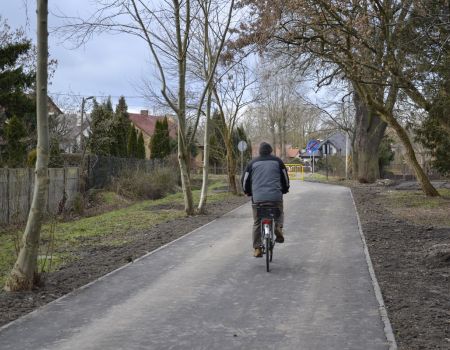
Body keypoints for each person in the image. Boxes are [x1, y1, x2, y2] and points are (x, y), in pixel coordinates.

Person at [241, 142, 290, 257]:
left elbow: (244, 180)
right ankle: (278, 227)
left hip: (258, 198)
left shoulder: (252, 163)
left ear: (260, 151)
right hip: (275, 197)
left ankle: (257, 248)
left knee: (257, 221)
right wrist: (285, 189)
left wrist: (247, 191)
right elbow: (285, 178)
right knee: (279, 212)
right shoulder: (278, 162)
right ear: (271, 151)